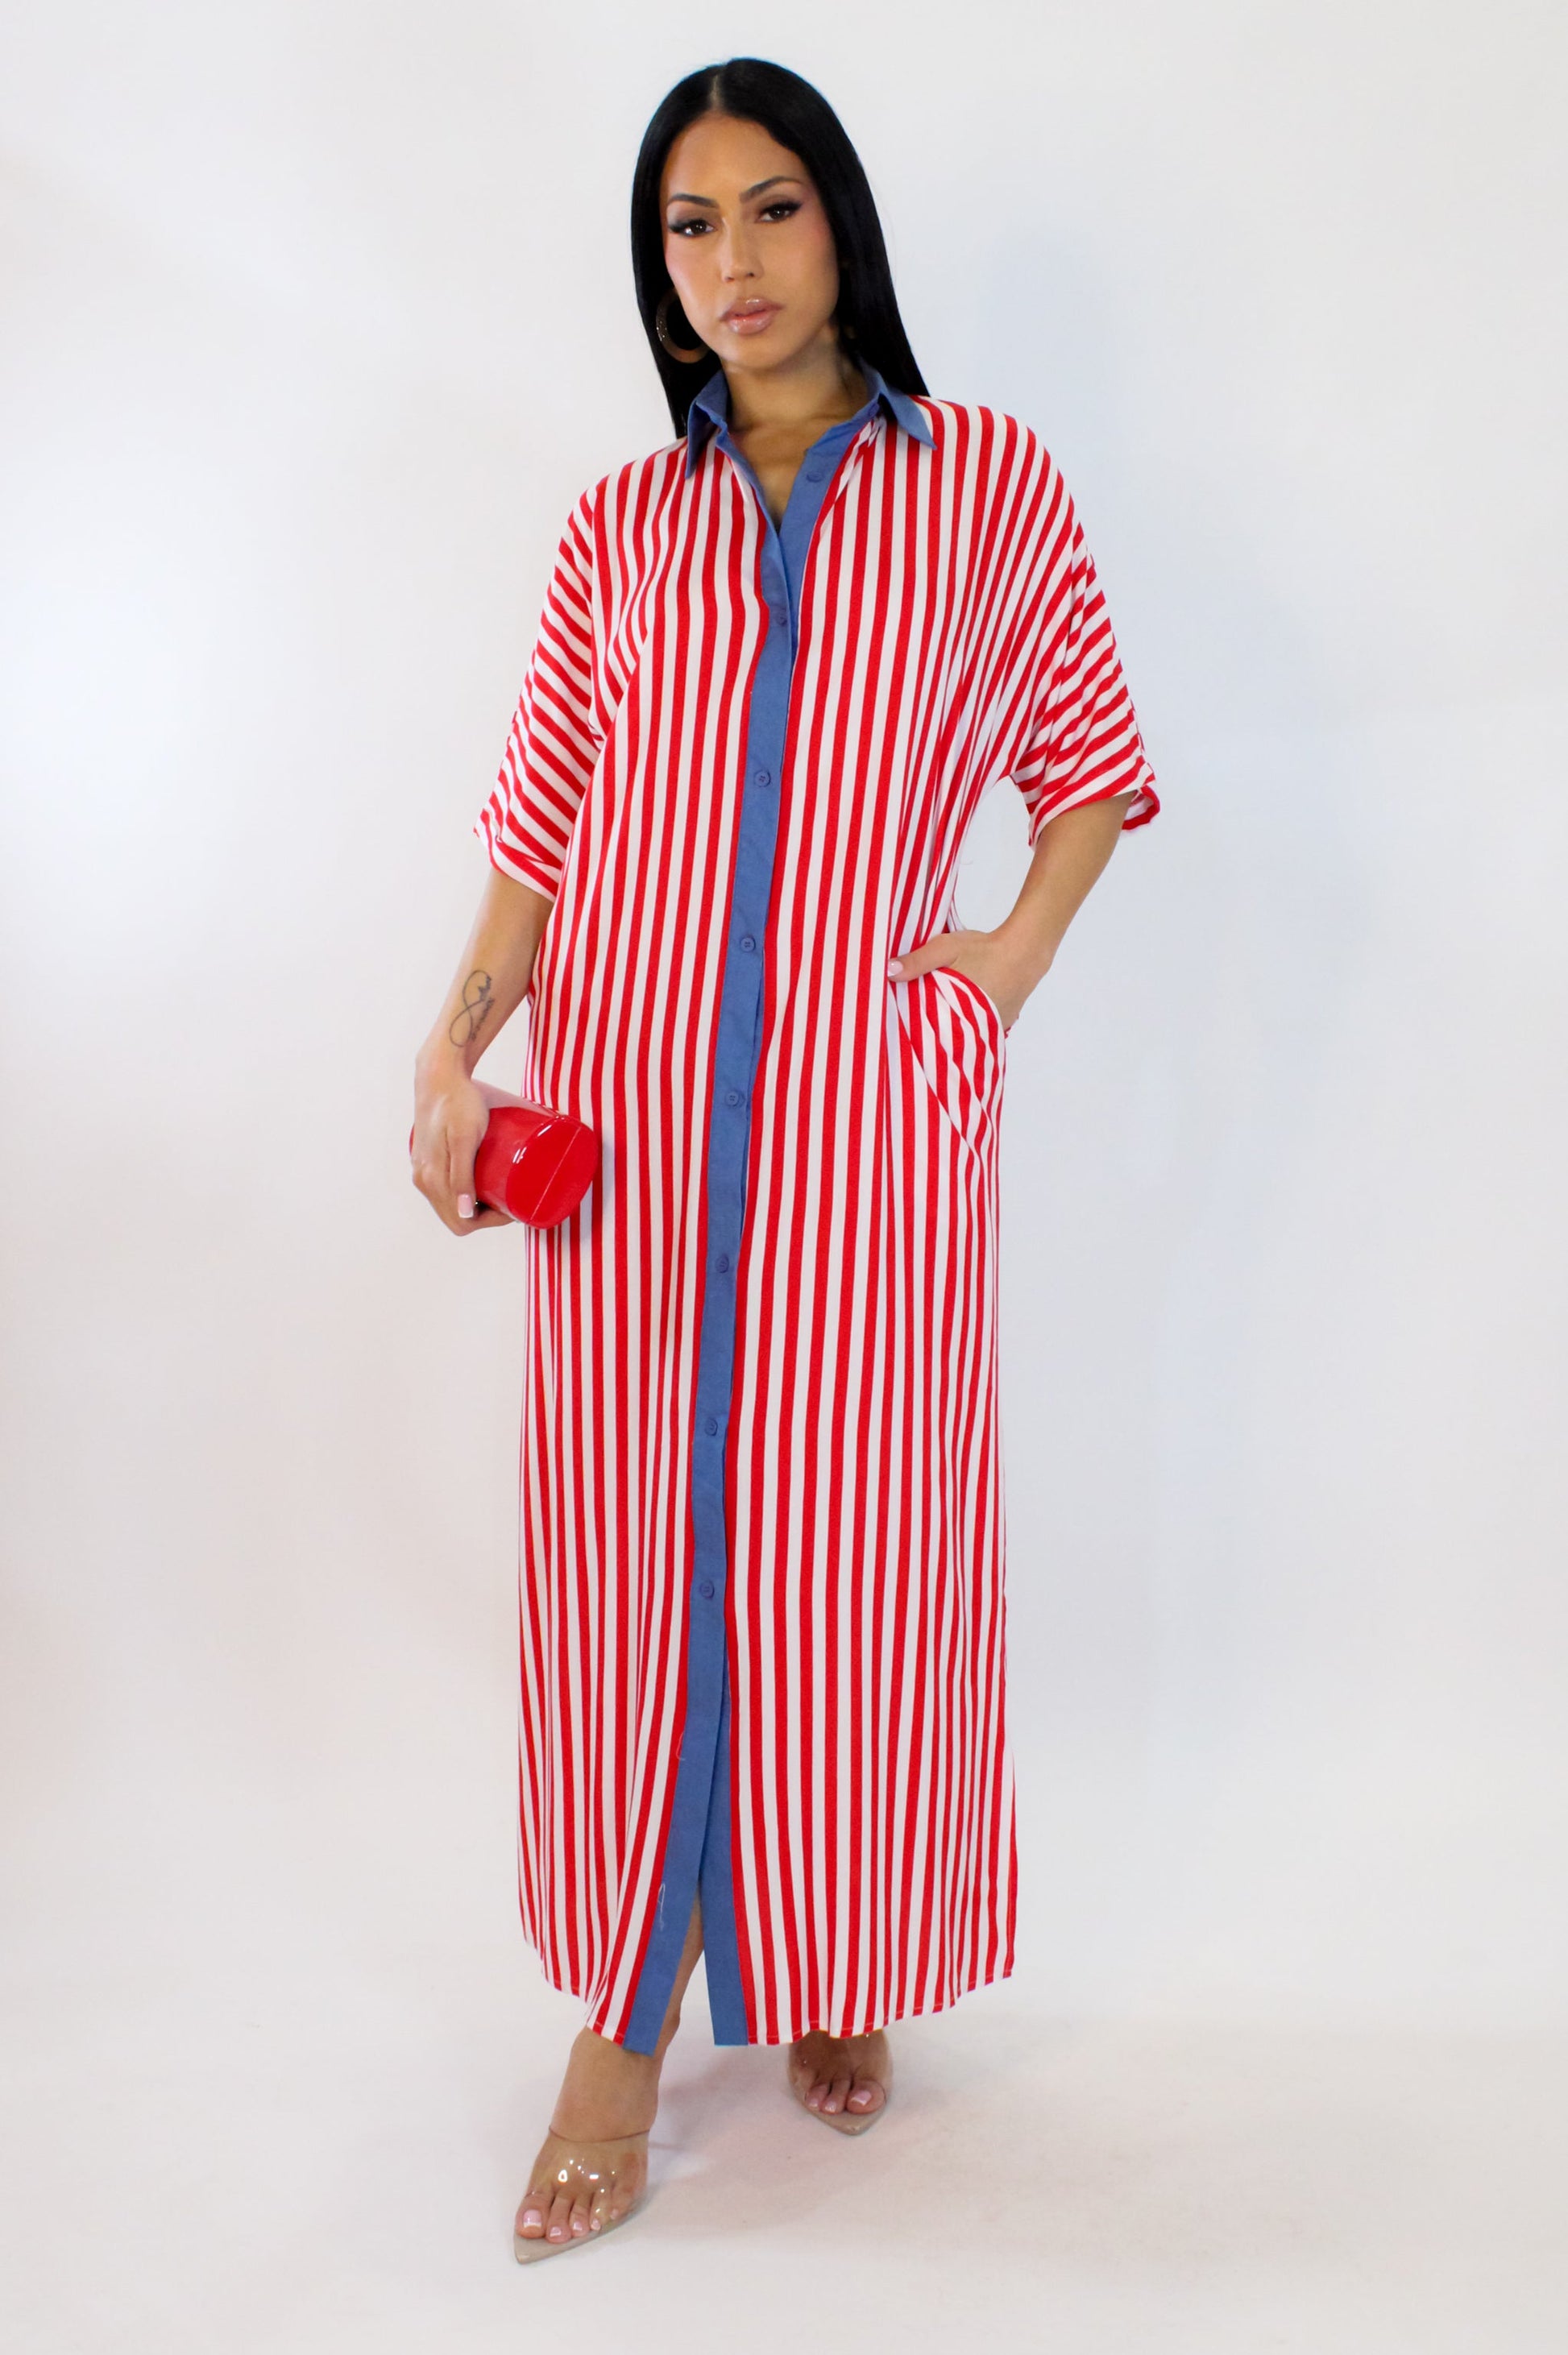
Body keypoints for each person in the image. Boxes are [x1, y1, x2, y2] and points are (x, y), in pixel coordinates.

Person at [411, 56, 1159, 2262]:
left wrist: (999, 967)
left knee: (848, 1570)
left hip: (861, 1134)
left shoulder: (983, 484)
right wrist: (453, 1045)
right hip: (630, 1139)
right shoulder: (618, 531)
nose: (729, 262)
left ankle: (825, 1948)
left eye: (769, 208)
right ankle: (626, 2024)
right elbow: (538, 828)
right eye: (687, 225)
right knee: (637, 1570)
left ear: (840, 221)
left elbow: (1090, 769)